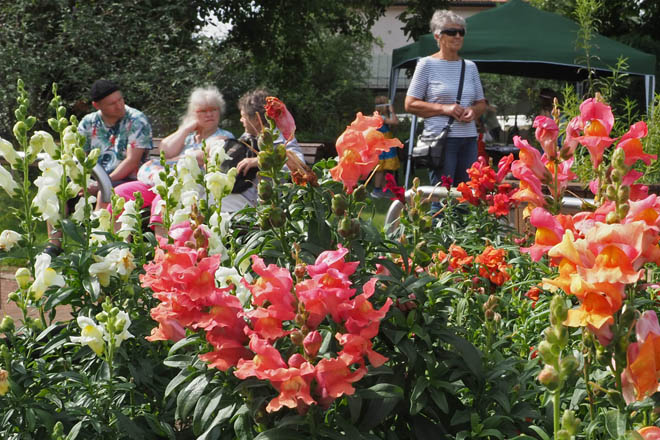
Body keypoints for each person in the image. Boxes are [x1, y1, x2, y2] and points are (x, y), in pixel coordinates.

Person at [113, 85, 235, 225]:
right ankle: (120, 244)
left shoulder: (224, 137)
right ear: (194, 114)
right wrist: (186, 128)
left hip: (193, 190)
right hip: (166, 182)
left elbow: (199, 157)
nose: (209, 114)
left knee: (165, 199)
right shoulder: (189, 137)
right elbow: (165, 151)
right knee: (121, 192)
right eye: (203, 111)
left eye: (213, 109)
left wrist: (174, 160)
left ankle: (164, 245)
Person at [404, 10, 487, 190]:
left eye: (461, 32)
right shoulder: (426, 64)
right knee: (442, 196)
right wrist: (444, 109)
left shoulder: (470, 67)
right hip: (441, 140)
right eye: (451, 32)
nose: (457, 36)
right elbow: (410, 104)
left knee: (468, 196)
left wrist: (474, 111)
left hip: (469, 139)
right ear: (437, 36)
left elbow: (481, 103)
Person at [228, 88, 305, 212]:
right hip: (240, 195)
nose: (241, 120)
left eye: (243, 116)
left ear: (255, 119)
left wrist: (261, 160)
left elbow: (300, 166)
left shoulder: (282, 138)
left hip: (264, 204)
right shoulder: (247, 138)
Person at [78, 79, 153, 197]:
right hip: (95, 177)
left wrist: (103, 183)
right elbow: (80, 155)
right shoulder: (88, 122)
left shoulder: (137, 120)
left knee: (103, 192)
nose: (119, 106)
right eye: (112, 104)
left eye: (120, 99)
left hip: (127, 179)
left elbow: (132, 161)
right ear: (97, 105)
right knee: (60, 189)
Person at [370, 95, 400, 198]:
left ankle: (384, 189)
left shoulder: (378, 117)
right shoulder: (381, 118)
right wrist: (392, 111)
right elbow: (396, 121)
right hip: (381, 146)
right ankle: (376, 189)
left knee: (383, 169)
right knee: (380, 169)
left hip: (382, 145)